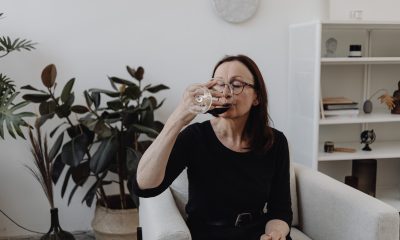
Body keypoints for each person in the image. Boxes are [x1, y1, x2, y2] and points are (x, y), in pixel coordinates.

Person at [132, 55, 292, 240]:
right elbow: (144, 187)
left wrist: (275, 234)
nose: (225, 93)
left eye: (237, 84)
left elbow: (280, 210)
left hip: (257, 233)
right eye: (219, 84)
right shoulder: (196, 136)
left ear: (256, 97)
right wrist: (178, 119)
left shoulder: (275, 141)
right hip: (209, 234)